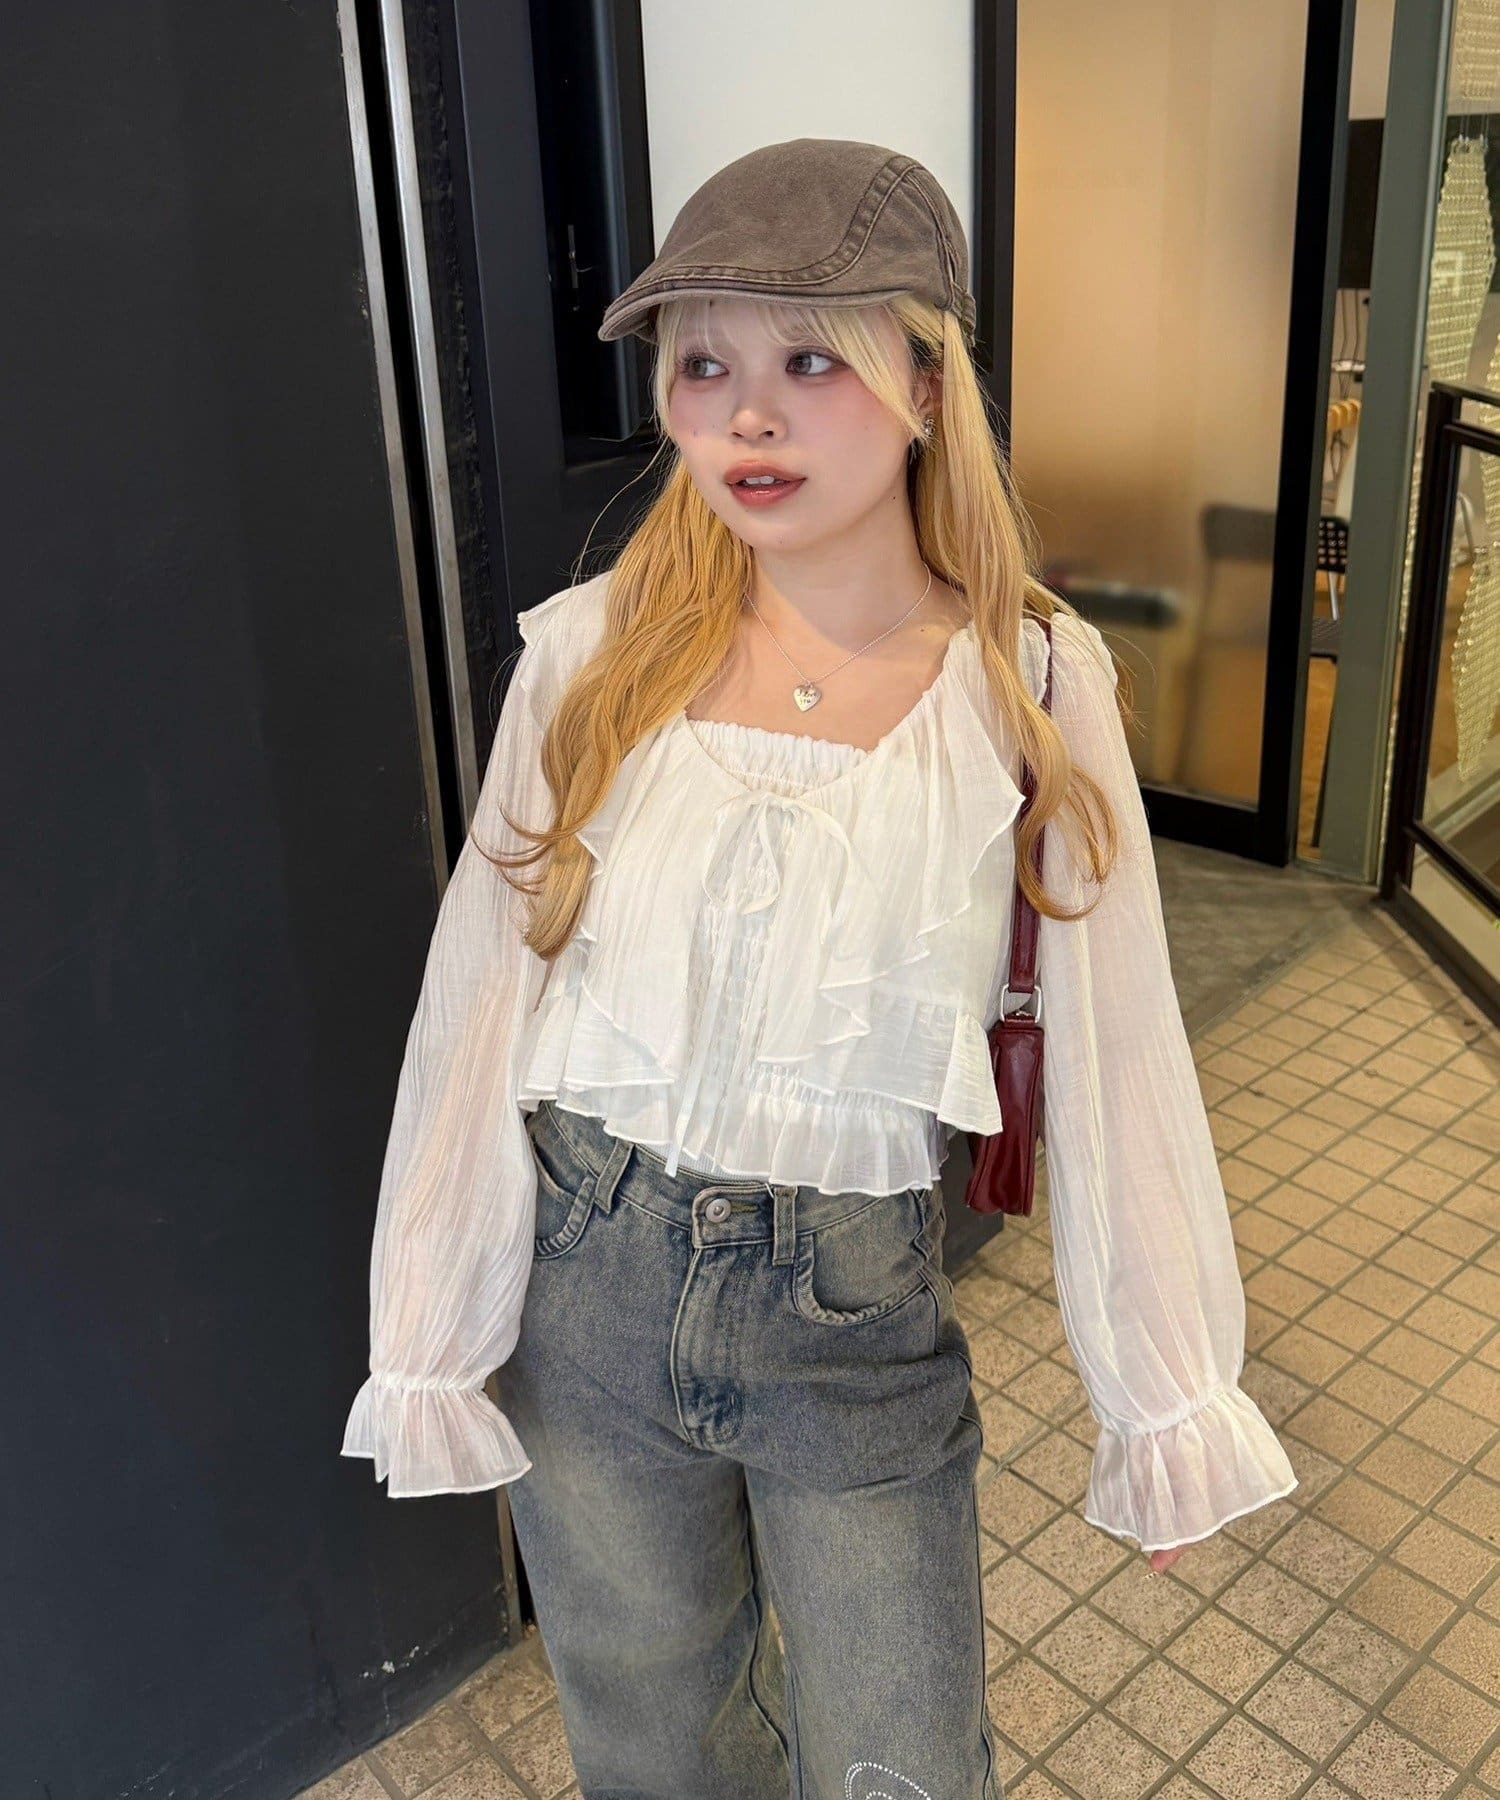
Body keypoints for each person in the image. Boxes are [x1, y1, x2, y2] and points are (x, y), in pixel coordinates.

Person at [341, 138, 1297, 1799]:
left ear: (924, 384)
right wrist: (432, 1320)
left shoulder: (1027, 683)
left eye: (810, 360)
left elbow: (1119, 1044)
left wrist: (1164, 1394)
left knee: (901, 1764)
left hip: (852, 1310)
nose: (749, 419)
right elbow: (481, 1002)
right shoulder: (590, 657)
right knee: (656, 1744)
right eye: (703, 364)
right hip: (586, 1287)